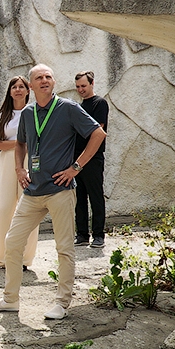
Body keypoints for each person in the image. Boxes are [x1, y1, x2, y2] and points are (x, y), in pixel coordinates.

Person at [0, 64, 106, 320]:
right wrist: (19, 168)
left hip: (60, 190)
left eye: (49, 76)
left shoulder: (69, 108)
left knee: (64, 248)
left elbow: (98, 133)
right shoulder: (28, 113)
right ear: (31, 85)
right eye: (39, 77)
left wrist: (75, 167)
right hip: (33, 191)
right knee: (12, 242)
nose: (44, 80)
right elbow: (21, 143)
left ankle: (61, 303)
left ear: (54, 82)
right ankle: (10, 299)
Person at [0, 76, 38, 271]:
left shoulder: (35, 112)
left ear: (28, 90)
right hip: (7, 161)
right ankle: (0, 258)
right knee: (5, 209)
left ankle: (24, 259)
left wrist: (21, 144)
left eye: (22, 86)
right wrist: (20, 142)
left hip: (30, 161)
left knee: (28, 208)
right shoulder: (3, 115)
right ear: (10, 92)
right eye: (14, 87)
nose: (18, 89)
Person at [73, 71, 109, 248]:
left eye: (83, 86)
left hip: (93, 157)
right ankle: (81, 234)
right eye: (78, 86)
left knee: (95, 196)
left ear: (92, 83)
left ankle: (99, 235)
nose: (81, 89)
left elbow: (97, 130)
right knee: (79, 197)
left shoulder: (99, 103)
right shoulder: (78, 106)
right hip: (76, 157)